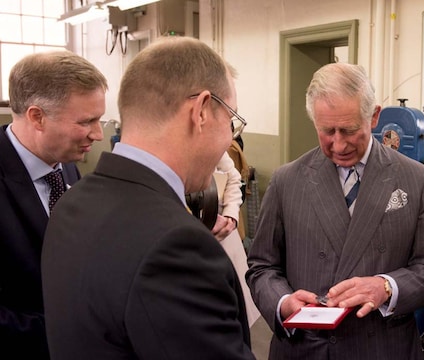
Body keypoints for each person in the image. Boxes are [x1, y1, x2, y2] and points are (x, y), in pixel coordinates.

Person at [41, 37, 255, 359]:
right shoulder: (177, 245)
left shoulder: (72, 203)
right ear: (199, 111)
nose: (229, 137)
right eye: (230, 120)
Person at [246, 62, 424, 360]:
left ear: (374, 116)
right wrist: (283, 302)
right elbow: (262, 266)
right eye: (327, 131)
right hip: (306, 348)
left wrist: (387, 287)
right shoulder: (287, 181)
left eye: (350, 130)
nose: (339, 144)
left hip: (383, 348)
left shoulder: (414, 179)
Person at [0, 50, 107, 359]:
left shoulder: (65, 165)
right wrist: (74, 333)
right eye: (86, 121)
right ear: (37, 117)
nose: (98, 134)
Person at [212, 151, 261, 327]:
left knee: (235, 315)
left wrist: (230, 215)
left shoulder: (210, 138)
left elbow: (234, 179)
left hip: (223, 236)